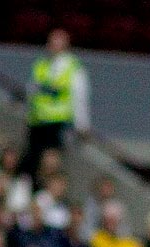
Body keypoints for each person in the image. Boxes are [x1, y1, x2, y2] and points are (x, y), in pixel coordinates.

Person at [24, 28, 91, 176]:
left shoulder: (73, 67)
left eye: (57, 43)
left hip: (57, 122)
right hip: (37, 121)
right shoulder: (41, 64)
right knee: (33, 162)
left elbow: (80, 98)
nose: (52, 45)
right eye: (51, 42)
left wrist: (82, 125)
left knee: (51, 164)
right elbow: (32, 91)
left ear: (66, 46)